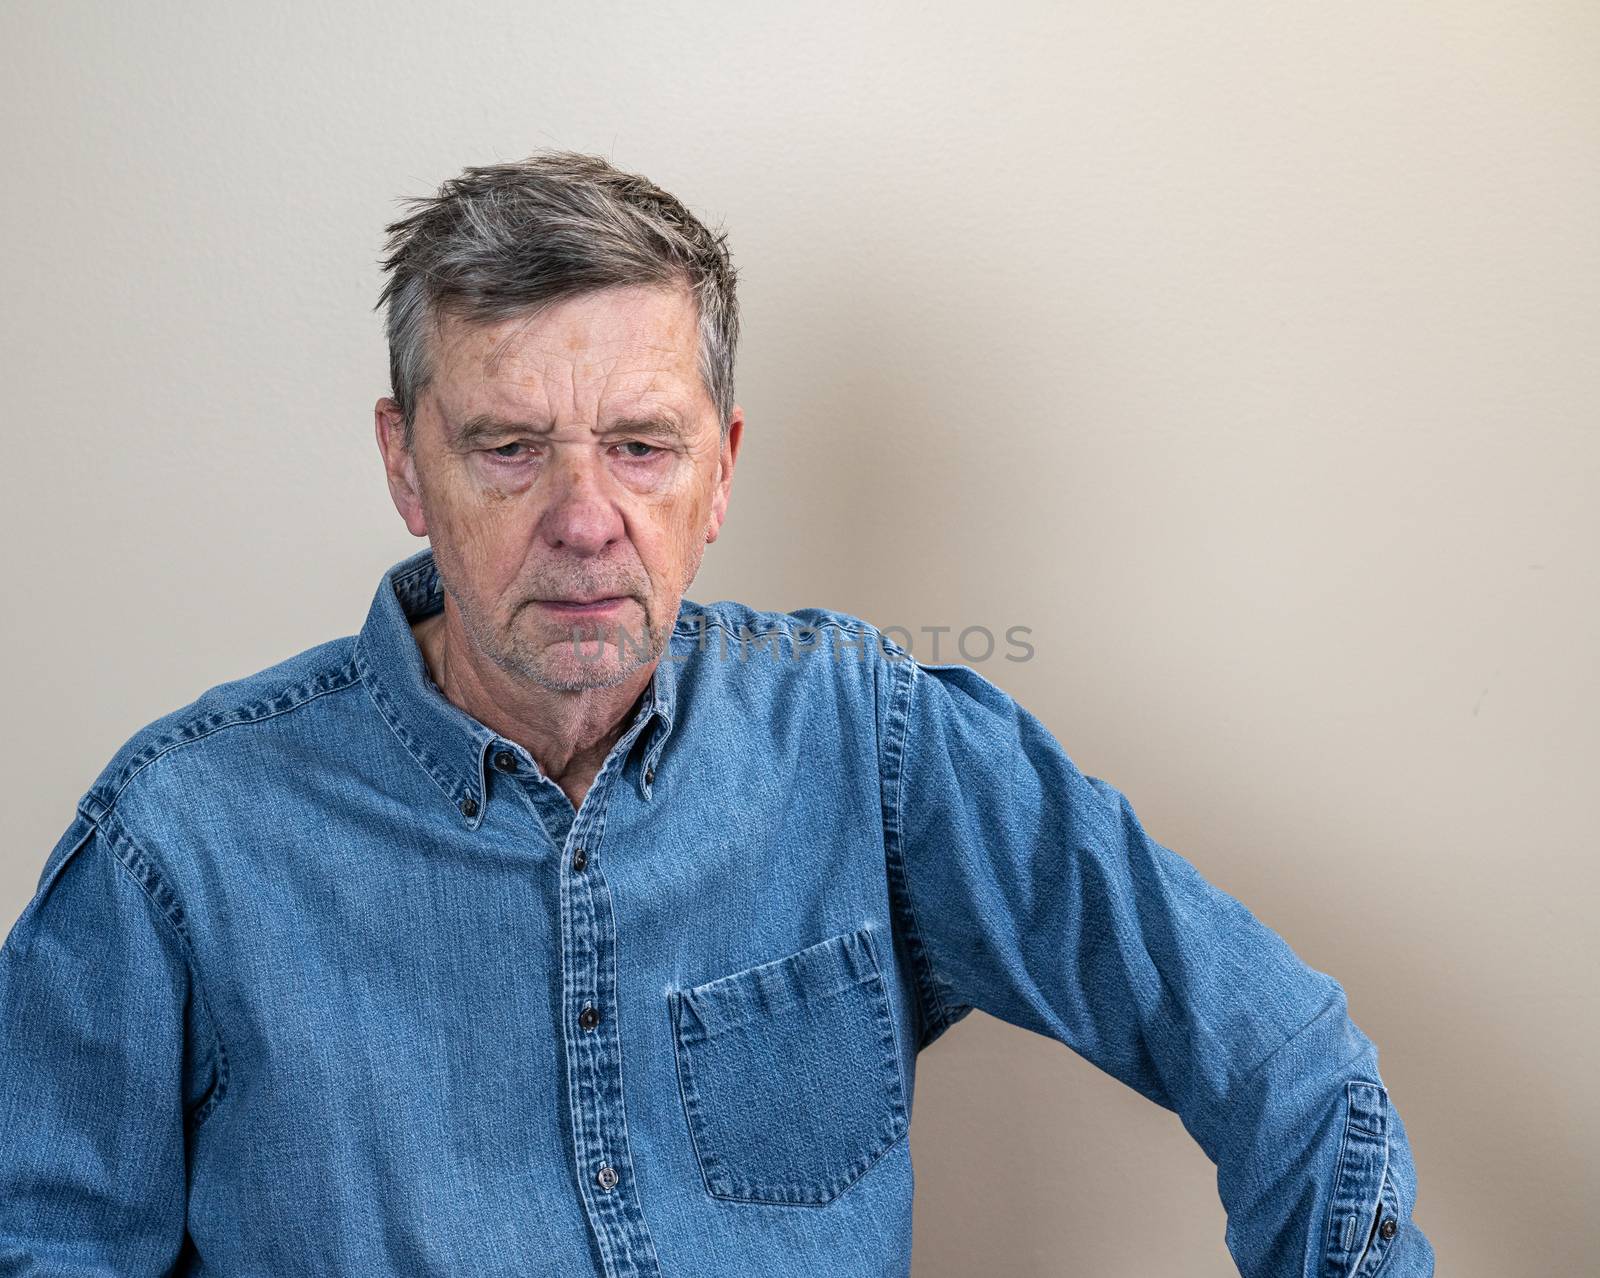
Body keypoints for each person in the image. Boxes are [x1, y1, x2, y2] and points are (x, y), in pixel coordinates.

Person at [0, 150, 1434, 1278]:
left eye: (642, 446)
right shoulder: (178, 845)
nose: (584, 518)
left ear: (723, 470)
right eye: (508, 447)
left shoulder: (866, 741)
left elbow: (1279, 1053)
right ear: (403, 462)